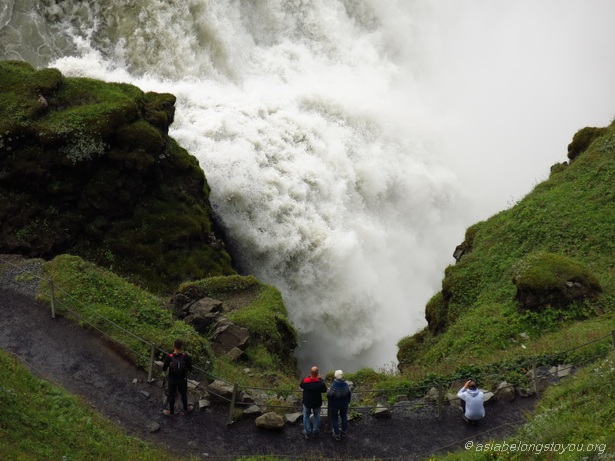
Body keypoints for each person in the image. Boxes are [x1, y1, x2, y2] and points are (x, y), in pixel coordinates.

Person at [162, 339, 194, 415]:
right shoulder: (185, 356)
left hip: (172, 379)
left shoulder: (169, 357)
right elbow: (190, 368)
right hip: (182, 378)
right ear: (181, 347)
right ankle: (186, 409)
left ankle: (171, 411)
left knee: (171, 395)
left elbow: (164, 368)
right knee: (183, 394)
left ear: (174, 346)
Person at [299, 366, 327, 439]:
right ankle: (315, 432)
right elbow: (324, 389)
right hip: (317, 403)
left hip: (307, 402)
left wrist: (310, 376)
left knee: (306, 416)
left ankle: (307, 433)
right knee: (317, 416)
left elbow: (301, 385)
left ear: (310, 373)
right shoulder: (320, 383)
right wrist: (320, 379)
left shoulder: (305, 381)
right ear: (318, 374)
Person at [327, 369, 351, 440]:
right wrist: (348, 401)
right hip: (344, 404)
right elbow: (349, 394)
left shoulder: (333, 386)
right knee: (344, 416)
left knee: (334, 418)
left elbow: (329, 395)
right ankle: (344, 432)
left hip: (334, 405)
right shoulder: (346, 385)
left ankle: (337, 434)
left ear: (335, 376)